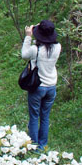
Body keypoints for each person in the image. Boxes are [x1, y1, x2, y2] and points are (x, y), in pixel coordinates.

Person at [21, 20, 61, 151]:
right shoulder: (58, 47)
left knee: (34, 116)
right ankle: (42, 145)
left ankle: (34, 145)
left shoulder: (35, 50)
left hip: (38, 87)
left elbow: (24, 54)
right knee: (45, 117)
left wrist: (28, 36)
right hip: (51, 86)